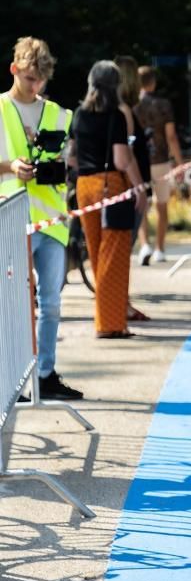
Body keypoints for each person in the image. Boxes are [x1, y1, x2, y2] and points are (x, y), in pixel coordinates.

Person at [0, 37, 83, 399]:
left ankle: (45, 375)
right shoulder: (0, 109)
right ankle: (15, 377)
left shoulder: (57, 113)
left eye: (42, 80)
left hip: (50, 221)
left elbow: (69, 160)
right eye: (31, 78)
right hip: (13, 219)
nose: (37, 86)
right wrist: (10, 166)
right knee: (15, 304)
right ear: (14, 70)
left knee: (50, 302)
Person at [70, 61, 147, 339]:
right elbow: (121, 159)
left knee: (96, 255)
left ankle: (104, 320)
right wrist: (139, 188)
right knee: (113, 256)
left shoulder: (79, 113)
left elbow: (71, 156)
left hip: (84, 187)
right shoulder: (114, 115)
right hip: (110, 186)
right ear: (115, 86)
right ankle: (110, 324)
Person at [114, 55, 152, 322]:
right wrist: (139, 188)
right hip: (128, 188)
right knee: (122, 252)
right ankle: (121, 304)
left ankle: (120, 303)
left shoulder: (119, 109)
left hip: (126, 187)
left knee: (122, 252)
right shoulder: (124, 111)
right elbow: (127, 154)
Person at [135, 65, 183, 264]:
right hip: (161, 160)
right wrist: (179, 163)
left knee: (141, 205)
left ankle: (144, 244)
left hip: (139, 162)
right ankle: (160, 249)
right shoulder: (164, 105)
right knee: (161, 205)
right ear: (153, 82)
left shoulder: (132, 106)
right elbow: (171, 136)